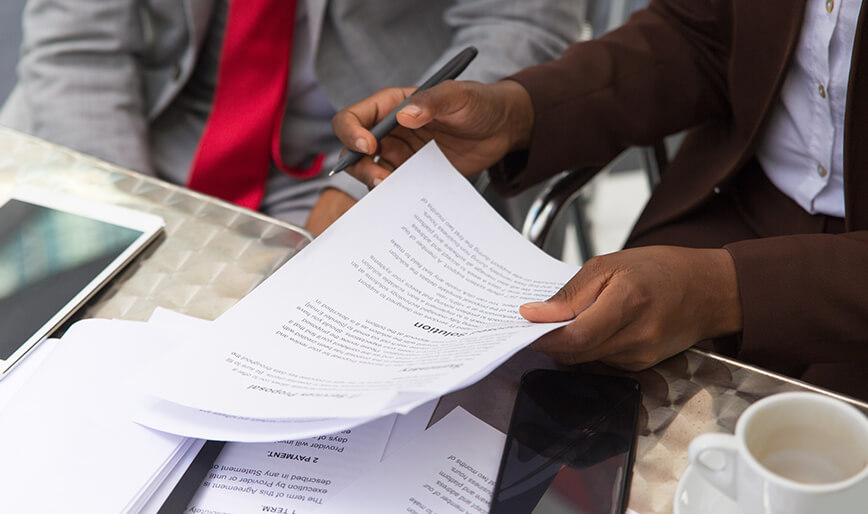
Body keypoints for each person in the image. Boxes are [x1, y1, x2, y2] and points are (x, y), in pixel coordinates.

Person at [331, 0, 868, 400]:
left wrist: (724, 291)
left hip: (839, 293)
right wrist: (518, 112)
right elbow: (700, 36)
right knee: (552, 404)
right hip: (730, 207)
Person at [0, 0, 586, 231]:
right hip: (142, 124)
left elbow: (521, 25)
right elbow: (78, 46)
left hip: (363, 149)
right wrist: (125, 213)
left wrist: (368, 182)